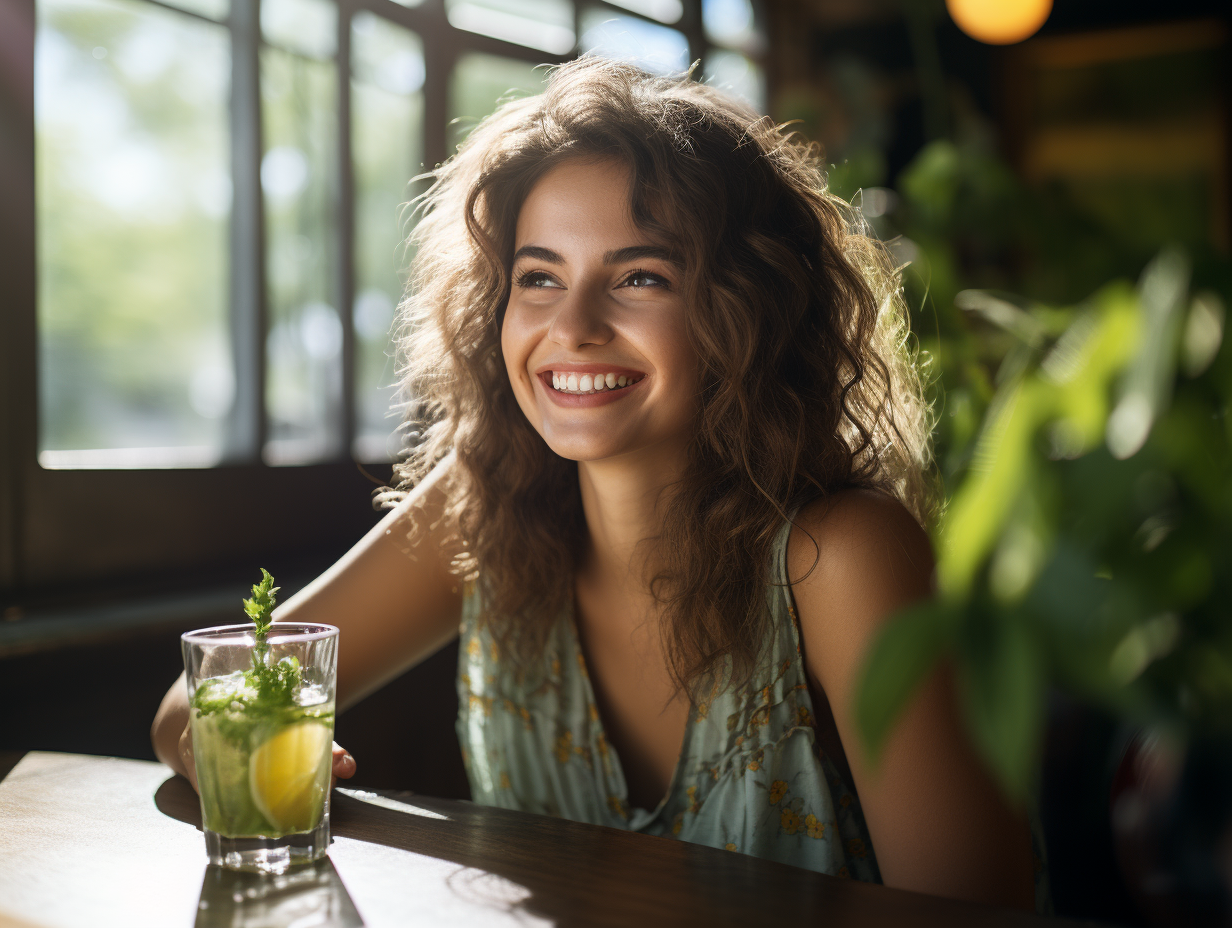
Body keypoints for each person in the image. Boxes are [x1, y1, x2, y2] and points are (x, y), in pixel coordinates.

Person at [153, 57, 1038, 911]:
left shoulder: (839, 555)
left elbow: (976, 915)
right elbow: (192, 701)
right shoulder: (482, 504)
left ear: (750, 305)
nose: (571, 327)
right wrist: (238, 751)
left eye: (639, 276)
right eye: (538, 277)